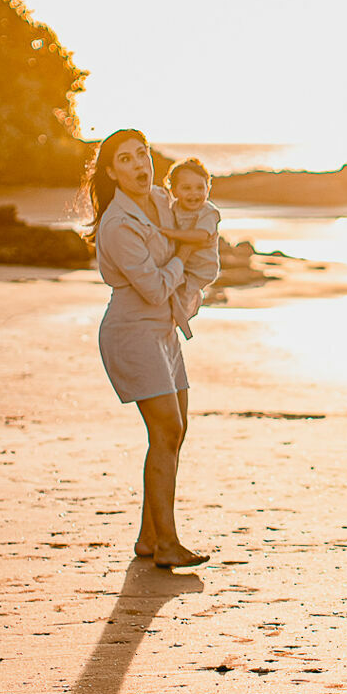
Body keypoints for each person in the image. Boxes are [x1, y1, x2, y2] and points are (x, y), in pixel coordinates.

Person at [85, 130, 210, 568]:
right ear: (111, 172)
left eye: (142, 155)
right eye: (126, 160)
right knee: (166, 432)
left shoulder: (160, 200)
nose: (140, 165)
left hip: (164, 331)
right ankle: (168, 544)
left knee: (176, 431)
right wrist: (180, 258)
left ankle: (148, 537)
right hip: (132, 332)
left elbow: (201, 215)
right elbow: (155, 289)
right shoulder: (117, 226)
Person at [155, 158, 221, 334]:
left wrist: (171, 233)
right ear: (174, 190)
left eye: (200, 187)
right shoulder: (174, 208)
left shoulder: (208, 212)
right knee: (171, 293)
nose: (194, 194)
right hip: (184, 266)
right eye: (186, 188)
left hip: (201, 268)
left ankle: (178, 325)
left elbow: (200, 236)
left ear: (208, 188)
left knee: (182, 300)